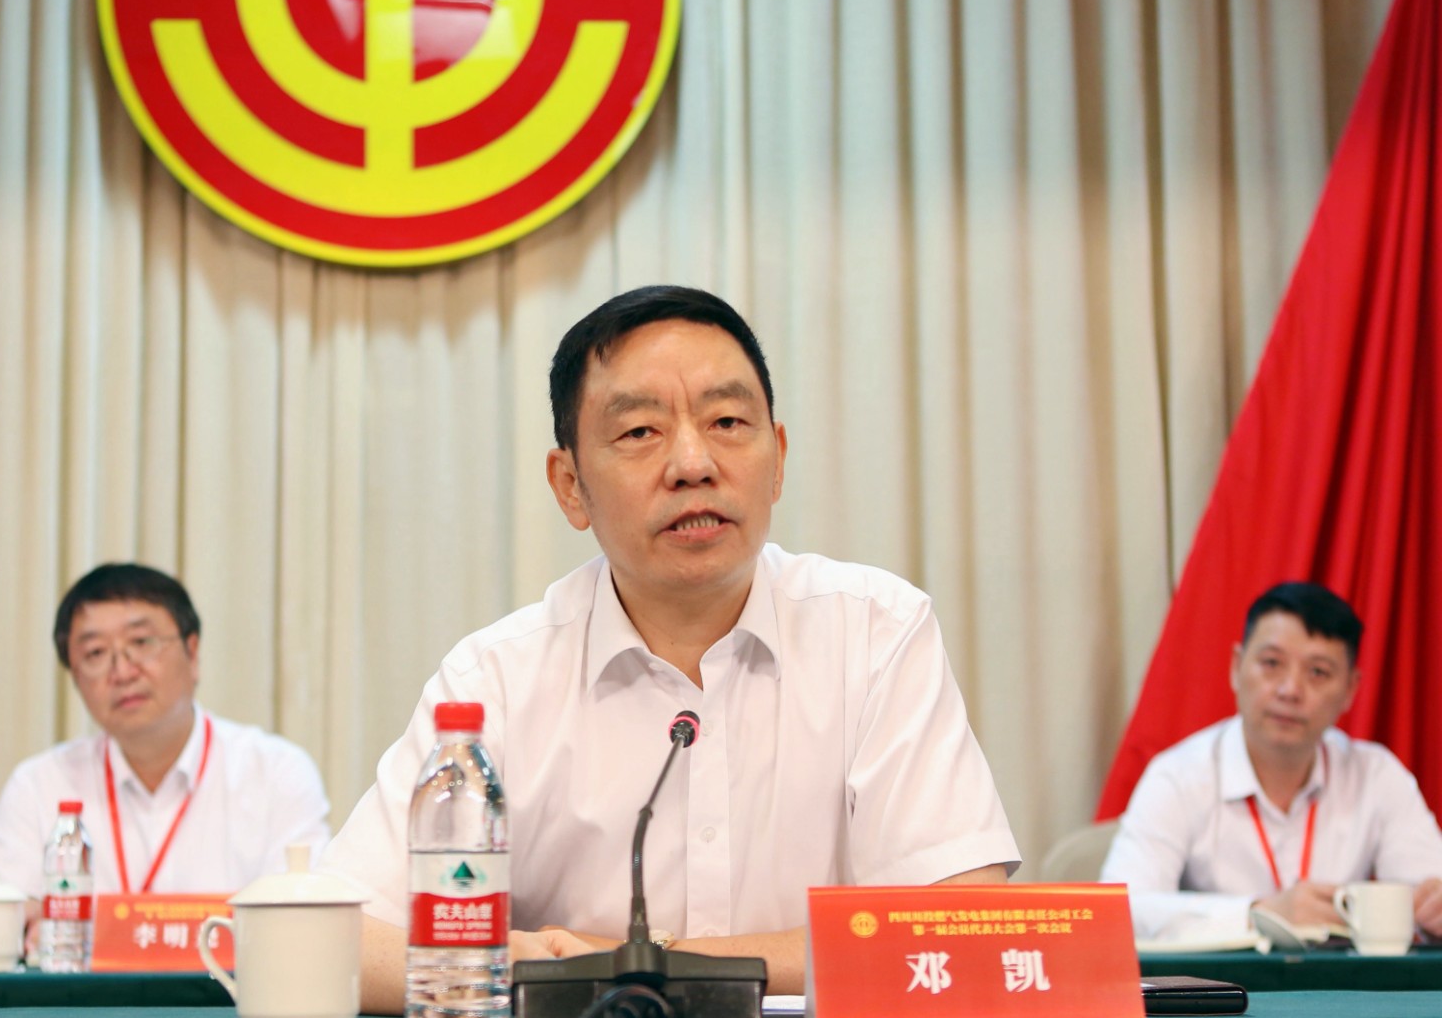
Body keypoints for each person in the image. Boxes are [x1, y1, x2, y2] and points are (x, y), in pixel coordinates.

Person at [320, 285, 1018, 1010]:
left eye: (727, 422)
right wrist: (514, 963)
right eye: (640, 432)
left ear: (778, 458)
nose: (693, 462)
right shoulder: (496, 679)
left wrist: (630, 967)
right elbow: (338, 937)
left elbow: (960, 926)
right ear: (570, 486)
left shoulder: (875, 632)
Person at [0, 563, 332, 930]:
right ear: (75, 678)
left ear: (192, 653)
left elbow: (305, 921)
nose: (122, 672)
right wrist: (18, 925)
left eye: (141, 643)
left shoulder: (275, 773)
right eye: (96, 653)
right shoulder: (39, 785)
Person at [1100, 581, 1442, 942]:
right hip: (1220, 977)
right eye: (1272, 664)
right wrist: (1258, 914)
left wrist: (1433, 908)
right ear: (1236, 667)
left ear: (1350, 691)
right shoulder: (1178, 776)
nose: (1290, 690)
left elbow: (1429, 885)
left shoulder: (1376, 775)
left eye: (1318, 672)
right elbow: (1121, 910)